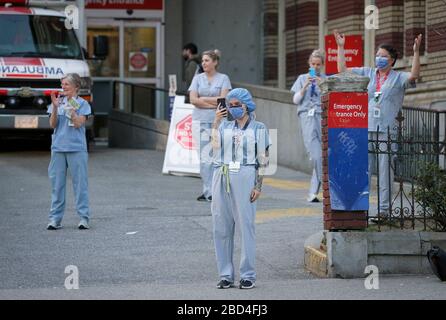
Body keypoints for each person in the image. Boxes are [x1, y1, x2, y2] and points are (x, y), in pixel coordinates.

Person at [334, 30, 422, 221]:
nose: (379, 59)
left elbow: (414, 75)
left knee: (385, 171)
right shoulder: (368, 73)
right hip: (367, 128)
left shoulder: (398, 78)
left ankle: (384, 211)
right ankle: (361, 209)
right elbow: (343, 70)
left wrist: (416, 53)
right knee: (364, 169)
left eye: (383, 56)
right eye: (377, 55)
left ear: (392, 60)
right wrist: (341, 47)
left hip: (387, 130)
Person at [210, 88, 270, 289]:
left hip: (245, 175)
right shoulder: (224, 126)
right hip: (221, 174)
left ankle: (248, 274)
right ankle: (225, 274)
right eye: (230, 105)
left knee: (246, 227)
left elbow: (263, 157)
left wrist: (258, 185)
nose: (233, 108)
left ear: (246, 105)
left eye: (237, 104)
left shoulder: (259, 127)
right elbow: (214, 148)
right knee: (221, 227)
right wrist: (216, 121)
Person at [46, 73, 92, 230]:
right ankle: (54, 219)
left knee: (80, 185)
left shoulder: (82, 104)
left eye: (66, 84)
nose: (63, 87)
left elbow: (79, 123)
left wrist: (72, 112)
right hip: (58, 149)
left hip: (76, 149)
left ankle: (84, 218)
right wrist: (54, 107)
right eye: (62, 84)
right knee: (56, 185)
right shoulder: (57, 102)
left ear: (76, 87)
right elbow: (52, 124)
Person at [189, 49, 232, 202]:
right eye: (202, 61)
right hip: (200, 121)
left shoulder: (223, 78)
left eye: (207, 60)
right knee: (204, 157)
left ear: (215, 62)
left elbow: (224, 100)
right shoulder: (197, 78)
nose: (204, 63)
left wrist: (203, 99)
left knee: (217, 155)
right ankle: (208, 191)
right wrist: (211, 103)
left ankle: (217, 189)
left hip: (218, 121)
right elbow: (193, 99)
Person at [290, 49, 326, 202]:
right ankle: (327, 186)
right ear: (309, 64)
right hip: (307, 116)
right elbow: (295, 100)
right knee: (316, 154)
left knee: (323, 154)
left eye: (318, 64)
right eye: (313, 64)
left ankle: (312, 193)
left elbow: (331, 98)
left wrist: (323, 85)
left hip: (322, 116)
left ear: (322, 65)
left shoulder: (325, 79)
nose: (316, 67)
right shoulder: (302, 78)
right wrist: (304, 87)